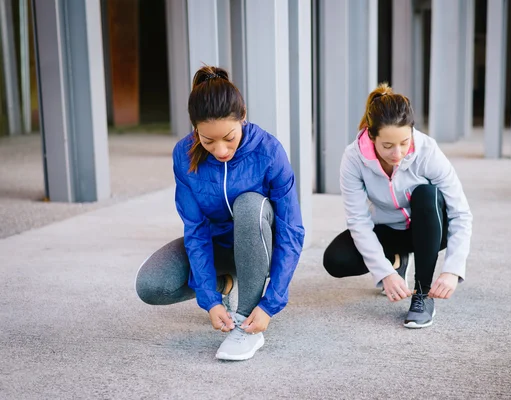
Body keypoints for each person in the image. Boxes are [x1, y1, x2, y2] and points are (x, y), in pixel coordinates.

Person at [135, 66, 305, 360]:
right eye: (208, 140)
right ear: (195, 128)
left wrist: (270, 304)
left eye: (229, 137)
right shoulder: (183, 154)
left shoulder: (268, 151)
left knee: (250, 204)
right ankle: (228, 284)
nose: (221, 150)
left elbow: (292, 229)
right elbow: (196, 229)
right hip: (220, 246)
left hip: (261, 246)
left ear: (243, 116)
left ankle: (246, 324)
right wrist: (210, 300)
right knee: (151, 285)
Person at [322, 83, 472, 329]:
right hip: (389, 229)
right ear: (372, 136)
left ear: (412, 130)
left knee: (426, 194)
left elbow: (461, 213)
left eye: (404, 142)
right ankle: (395, 262)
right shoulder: (353, 157)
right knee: (335, 260)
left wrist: (453, 269)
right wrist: (384, 273)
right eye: (388, 146)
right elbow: (358, 220)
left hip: (429, 230)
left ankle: (422, 295)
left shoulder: (427, 150)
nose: (398, 153)